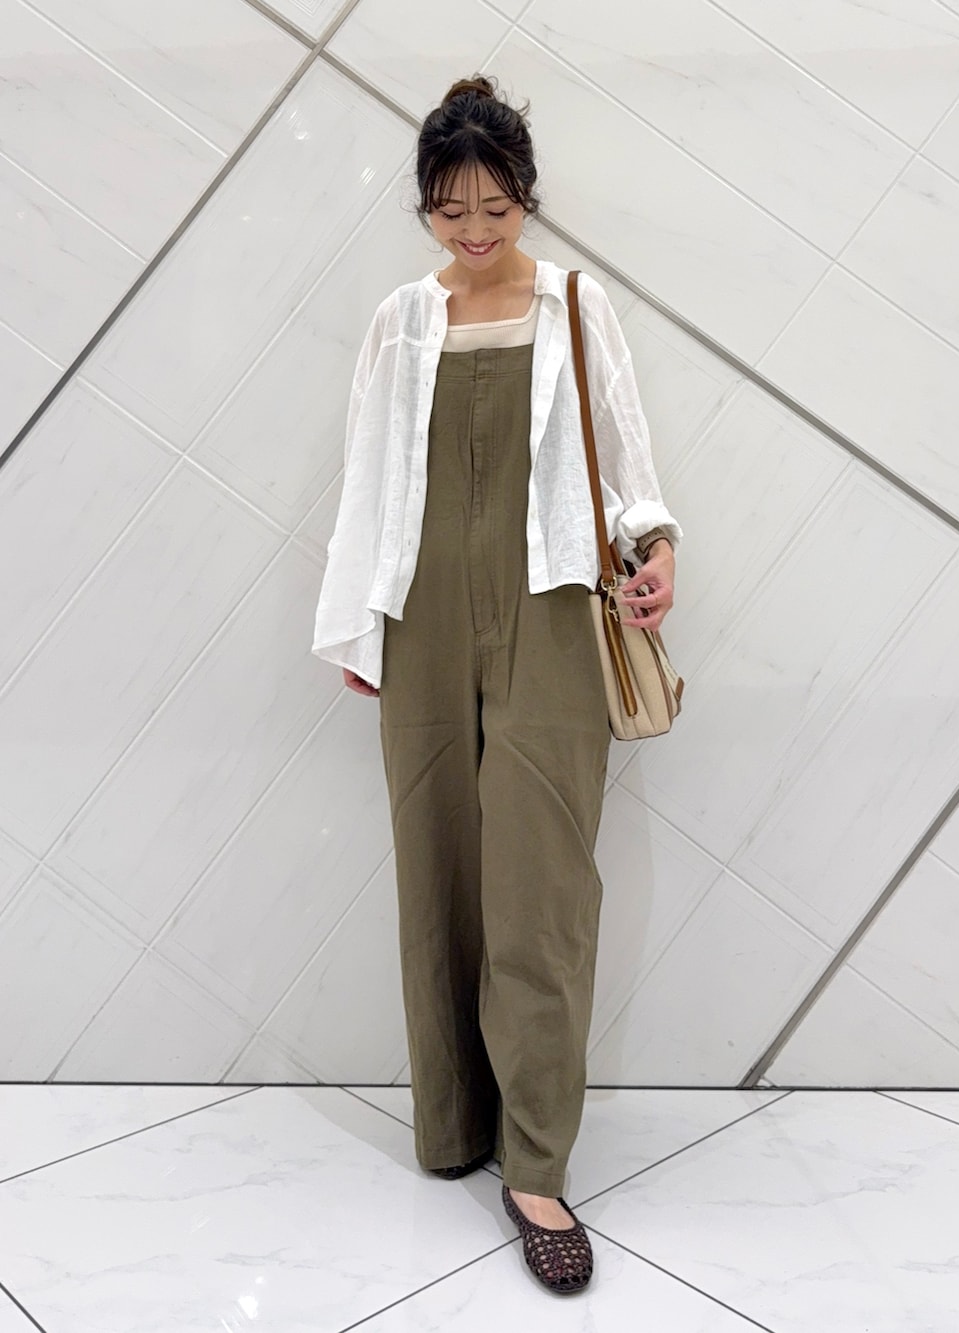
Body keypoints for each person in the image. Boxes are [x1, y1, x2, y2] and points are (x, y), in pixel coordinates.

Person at [313, 74, 682, 1295]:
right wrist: (360, 622)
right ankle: (453, 1125)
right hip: (419, 616)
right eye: (450, 210)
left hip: (552, 612)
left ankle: (535, 1165)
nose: (474, 231)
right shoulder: (399, 320)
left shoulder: (574, 303)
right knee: (436, 876)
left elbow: (625, 452)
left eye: (495, 207)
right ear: (424, 206)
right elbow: (369, 472)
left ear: (527, 197)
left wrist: (656, 549)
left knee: (540, 890)